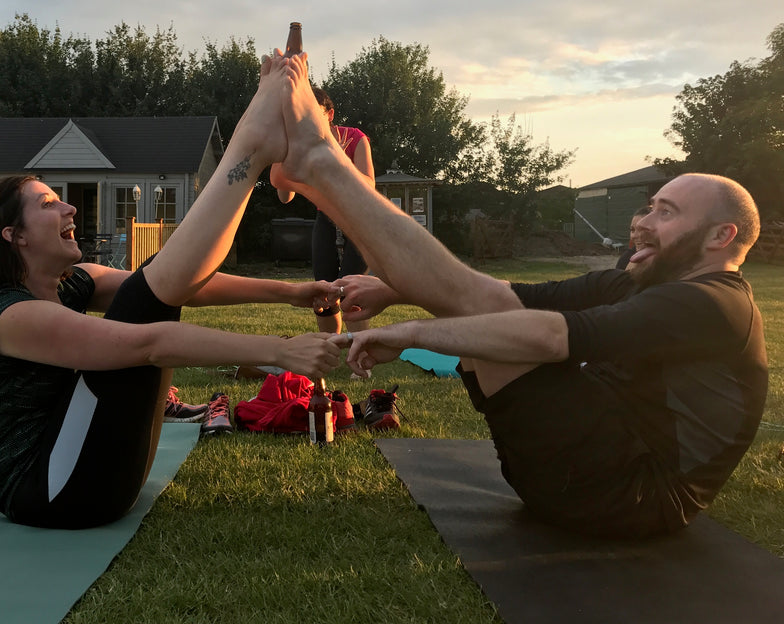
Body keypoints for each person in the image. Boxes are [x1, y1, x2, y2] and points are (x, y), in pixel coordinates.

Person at [271, 50, 766, 539]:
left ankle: (323, 165)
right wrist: (395, 292)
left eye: (667, 213)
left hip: (633, 496)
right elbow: (515, 293)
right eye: (649, 208)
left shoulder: (714, 305)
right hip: (578, 471)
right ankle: (322, 166)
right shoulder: (641, 281)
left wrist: (416, 331)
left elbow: (552, 337)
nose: (641, 223)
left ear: (720, 237)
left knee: (491, 315)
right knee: (490, 305)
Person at [0, 54, 341, 529]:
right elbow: (149, 342)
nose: (70, 208)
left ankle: (253, 146)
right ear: (14, 236)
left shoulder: (72, 285)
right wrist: (280, 352)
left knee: (151, 283)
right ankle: (251, 146)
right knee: (145, 299)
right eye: (49, 204)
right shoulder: (8, 315)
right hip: (56, 493)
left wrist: (292, 293)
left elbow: (184, 287)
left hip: (92, 474)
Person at [271, 88, 376, 341]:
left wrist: (337, 157)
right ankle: (331, 347)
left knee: (350, 288)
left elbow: (369, 185)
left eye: (312, 114)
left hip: (359, 221)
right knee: (323, 289)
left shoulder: (354, 137)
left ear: (329, 115)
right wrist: (284, 158)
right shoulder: (301, 146)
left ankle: (360, 352)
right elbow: (285, 198)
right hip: (326, 219)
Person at [615, 205, 651, 270]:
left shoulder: (669, 258)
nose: (634, 236)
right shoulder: (626, 259)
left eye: (641, 229)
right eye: (632, 230)